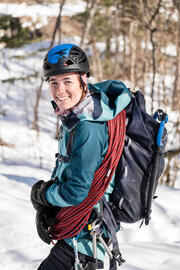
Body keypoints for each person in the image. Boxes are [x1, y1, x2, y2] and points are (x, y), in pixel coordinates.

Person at [30, 43, 132, 270]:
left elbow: (76, 192)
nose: (59, 90)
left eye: (67, 81)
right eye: (53, 82)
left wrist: (42, 194)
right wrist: (50, 209)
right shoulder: (81, 114)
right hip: (81, 236)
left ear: (83, 80)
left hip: (85, 240)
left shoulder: (88, 126)